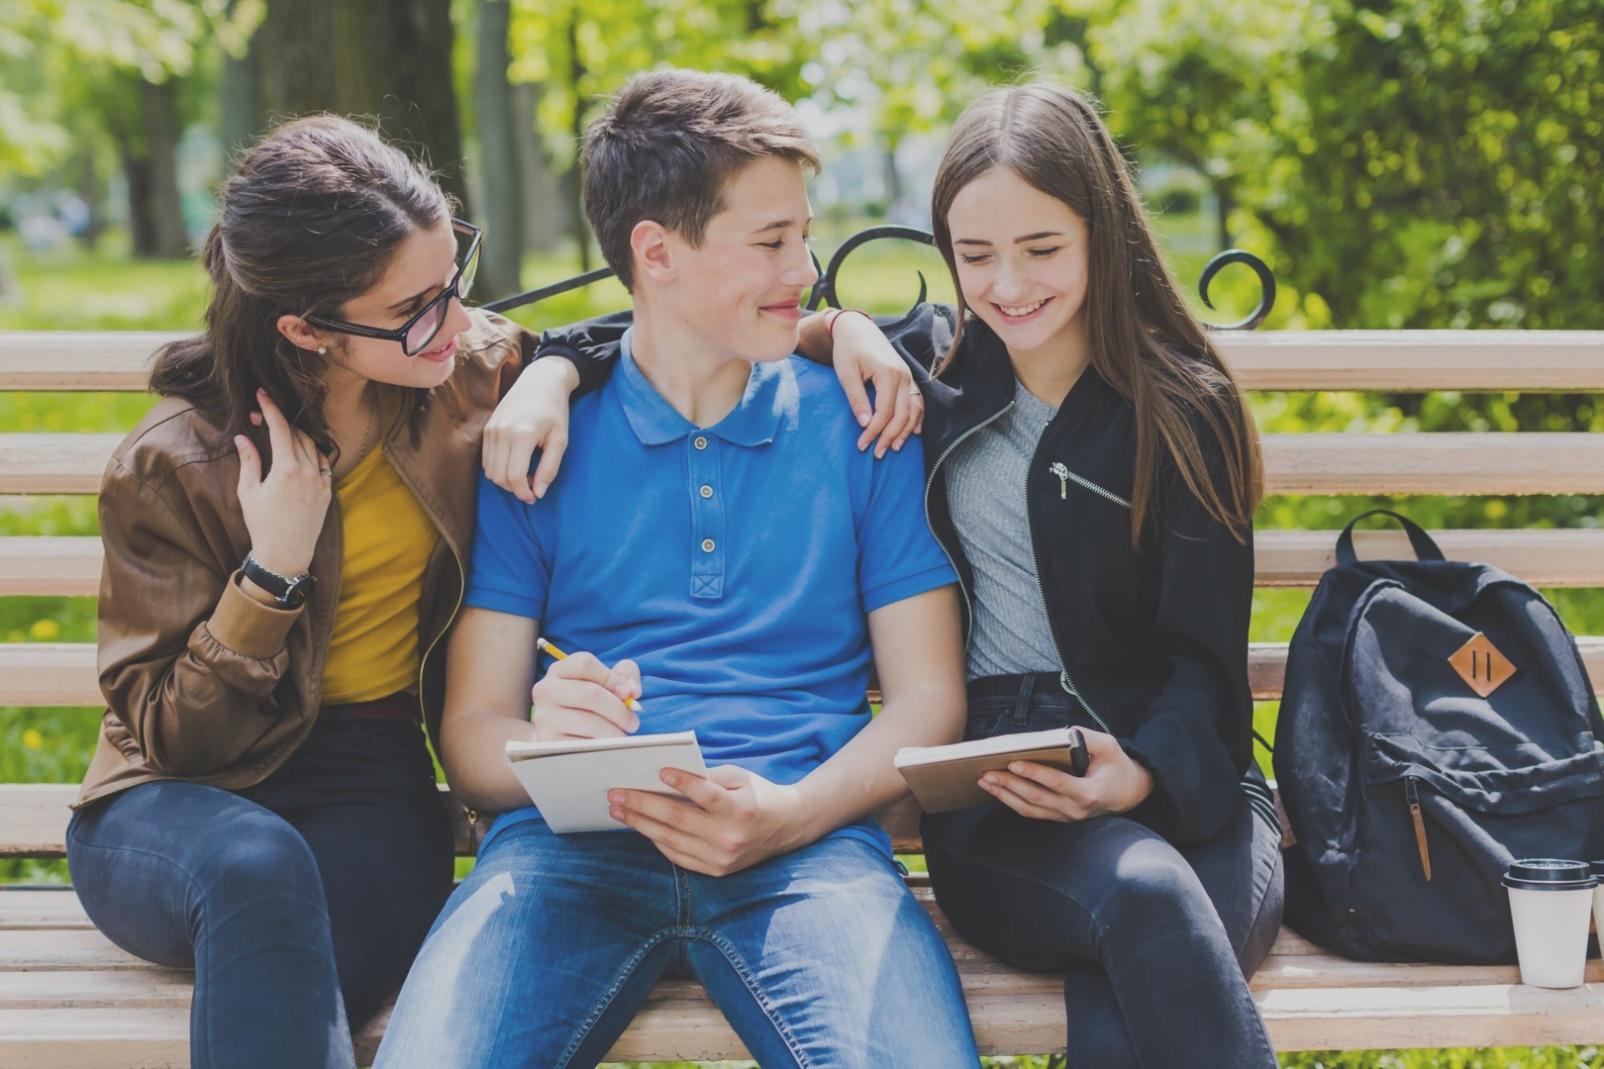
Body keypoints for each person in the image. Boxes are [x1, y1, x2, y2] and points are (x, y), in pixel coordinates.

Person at [532, 81, 1285, 1068]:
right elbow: (680, 324)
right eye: (974, 255)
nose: (1007, 284)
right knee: (1141, 907)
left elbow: (1205, 665)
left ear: (1103, 233)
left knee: (1137, 954)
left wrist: (1140, 770)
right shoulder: (930, 374)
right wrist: (552, 369)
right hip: (1003, 787)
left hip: (1180, 773)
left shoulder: (1183, 412)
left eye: (1042, 249)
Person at [374, 69, 980, 1069]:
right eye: (770, 242)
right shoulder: (538, 445)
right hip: (565, 854)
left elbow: (927, 699)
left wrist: (790, 816)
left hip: (811, 848)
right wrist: (546, 746)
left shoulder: (862, 426)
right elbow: (475, 733)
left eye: (803, 235)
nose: (805, 269)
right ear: (655, 252)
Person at [64, 114, 600, 1069]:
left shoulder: (463, 374)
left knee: (284, 980)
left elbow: (648, 338)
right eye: (416, 307)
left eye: (454, 281)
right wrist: (271, 573)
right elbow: (174, 738)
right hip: (169, 801)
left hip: (370, 777)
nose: (457, 321)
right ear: (305, 330)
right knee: (259, 872)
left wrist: (553, 372)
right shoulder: (175, 463)